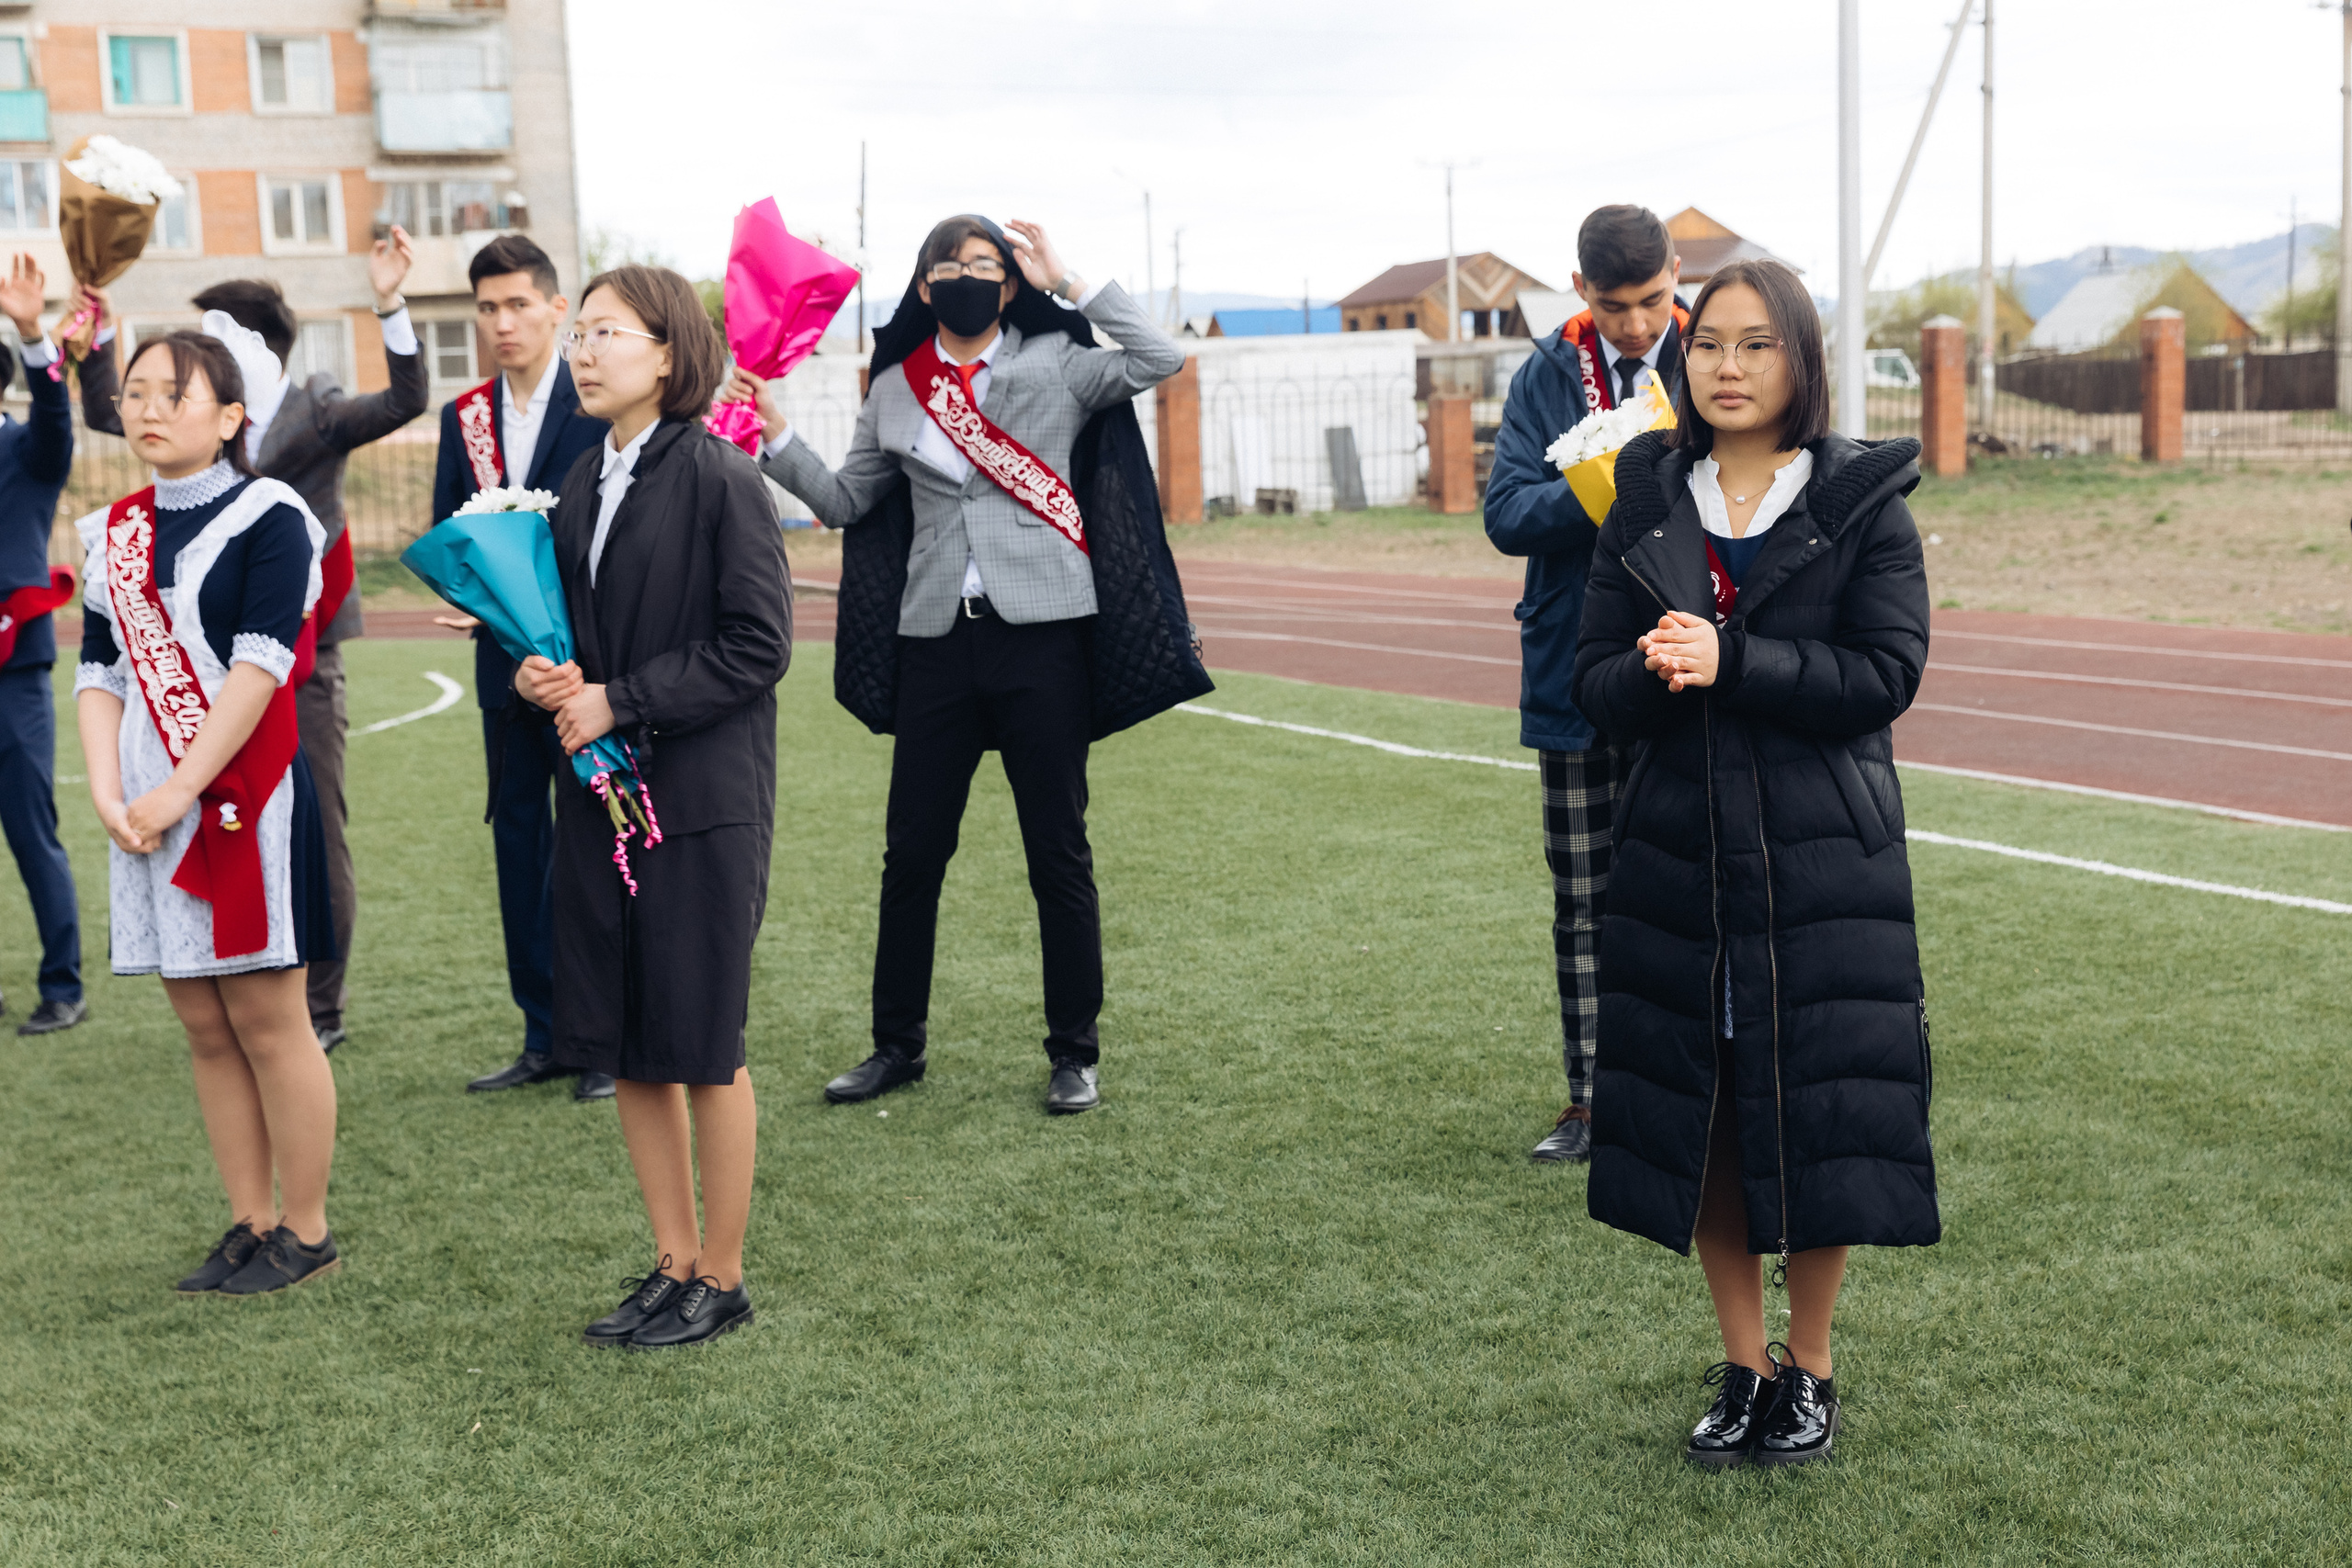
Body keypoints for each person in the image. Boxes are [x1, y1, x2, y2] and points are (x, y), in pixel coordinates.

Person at [1570, 257, 1939, 1468]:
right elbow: (1595, 685)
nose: (1727, 366)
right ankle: (1740, 1363)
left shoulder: (1863, 500)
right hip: (1683, 860)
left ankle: (1812, 1367)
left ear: (1802, 360)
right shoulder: (1648, 494)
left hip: (1824, 863)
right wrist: (1658, 669)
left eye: (1756, 345)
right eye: (1710, 344)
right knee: (1710, 1116)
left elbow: (1882, 679)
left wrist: (1738, 659)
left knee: (1818, 1115)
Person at [741, 214, 1189, 1115]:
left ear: (1011, 285)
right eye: (947, 265)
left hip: (1043, 637)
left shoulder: (1056, 365)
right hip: (936, 642)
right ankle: (894, 1047)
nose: (965, 277)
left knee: (1057, 852)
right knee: (910, 854)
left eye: (983, 265)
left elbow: (1159, 359)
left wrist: (1071, 279)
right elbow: (844, 500)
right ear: (922, 287)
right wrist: (776, 437)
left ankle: (1074, 1053)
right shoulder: (895, 391)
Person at [513, 265, 790, 1349]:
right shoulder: (583, 481)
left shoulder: (722, 476)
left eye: (605, 332)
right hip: (600, 796)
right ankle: (670, 1261)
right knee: (629, 1039)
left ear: (669, 352)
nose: (581, 351)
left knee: (702, 1036)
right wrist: (547, 677)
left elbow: (758, 647)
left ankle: (721, 1276)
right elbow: (581, 644)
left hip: (700, 798)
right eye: (577, 333)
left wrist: (617, 698)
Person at [82, 231, 427, 1055]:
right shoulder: (165, 433)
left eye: (207, 335)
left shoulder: (316, 409)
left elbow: (405, 400)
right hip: (188, 667)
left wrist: (390, 304)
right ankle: (222, 987)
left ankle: (322, 1001)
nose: (167, 388)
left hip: (294, 664)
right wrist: (92, 322)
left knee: (311, 826)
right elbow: (107, 407)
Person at [73, 329, 342, 1296]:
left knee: (270, 1018)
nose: (147, 408)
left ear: (230, 418)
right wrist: (110, 792)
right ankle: (248, 1220)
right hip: (145, 795)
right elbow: (98, 670)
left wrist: (181, 788)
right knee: (202, 1022)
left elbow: (265, 662)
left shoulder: (272, 514)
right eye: (135, 391)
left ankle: (304, 1233)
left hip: (241, 793)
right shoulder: (113, 532)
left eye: (173, 394)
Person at [1485, 205, 1690, 1164]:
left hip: (1692, 670)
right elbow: (1507, 513)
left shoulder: (1715, 354)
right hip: (1574, 673)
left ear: (1675, 274)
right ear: (1580, 291)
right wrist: (1602, 476)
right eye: (1616, 306)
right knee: (1584, 898)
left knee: (1698, 886)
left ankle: (1697, 1092)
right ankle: (1588, 1099)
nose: (1638, 325)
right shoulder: (1541, 375)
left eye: (1652, 300)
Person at [433, 236, 615, 1102]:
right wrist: (470, 595)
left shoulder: (595, 407)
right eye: (486, 308)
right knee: (517, 843)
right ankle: (542, 1033)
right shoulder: (462, 417)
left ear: (555, 310)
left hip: (585, 665)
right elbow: (448, 531)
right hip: (502, 671)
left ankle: (604, 1038)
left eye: (516, 305)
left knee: (595, 842)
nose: (501, 323)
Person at [0, 254, 87, 1035]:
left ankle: (63, 985)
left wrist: (35, 335)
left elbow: (59, 422)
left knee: (33, 831)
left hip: (12, 672)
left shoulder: (27, 450)